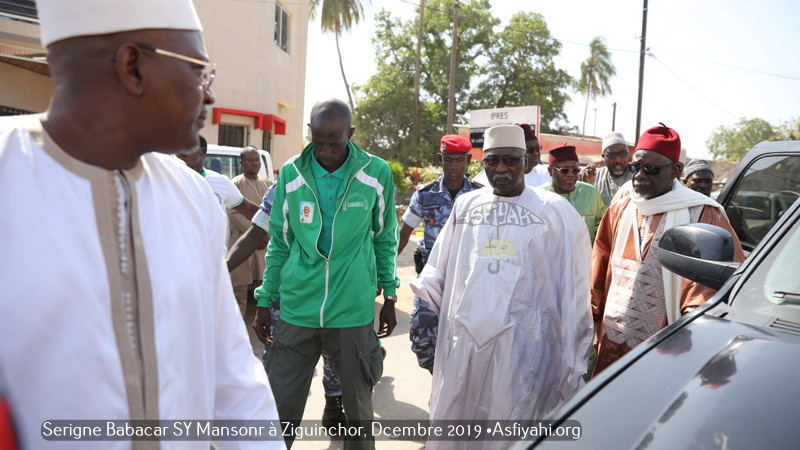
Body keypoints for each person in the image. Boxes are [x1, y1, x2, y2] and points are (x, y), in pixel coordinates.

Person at [0, 0, 281, 448]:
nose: (208, 95)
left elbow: (233, 378)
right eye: (199, 72)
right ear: (132, 66)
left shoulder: (192, 198)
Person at [411, 125, 592, 441]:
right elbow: (440, 271)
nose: (501, 169)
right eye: (492, 161)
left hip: (523, 348)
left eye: (510, 160)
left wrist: (571, 351)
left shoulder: (556, 213)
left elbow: (572, 287)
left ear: (526, 160)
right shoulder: (467, 207)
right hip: (465, 342)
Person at [254, 98, 400, 449]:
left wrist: (390, 296)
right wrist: (264, 299)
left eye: (334, 143)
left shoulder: (375, 173)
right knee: (278, 406)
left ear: (350, 134)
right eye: (317, 142)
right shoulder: (292, 172)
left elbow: (385, 237)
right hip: (298, 309)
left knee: (358, 411)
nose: (325, 152)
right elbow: (280, 243)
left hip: (351, 310)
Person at [591, 124, 745, 375]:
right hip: (612, 338)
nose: (639, 175)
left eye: (650, 169)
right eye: (635, 167)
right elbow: (599, 261)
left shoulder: (702, 213)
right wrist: (593, 319)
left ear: (675, 170)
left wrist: (693, 332)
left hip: (665, 343)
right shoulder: (622, 206)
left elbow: (709, 286)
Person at [226, 183, 347, 430]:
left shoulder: (356, 182)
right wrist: (218, 271)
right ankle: (275, 429)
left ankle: (333, 406)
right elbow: (254, 235)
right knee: (281, 366)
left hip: (338, 292)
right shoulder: (286, 186)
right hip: (290, 295)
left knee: (338, 360)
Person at [397, 134, 482, 373]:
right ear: (440, 159)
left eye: (459, 161)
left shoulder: (479, 196)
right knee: (421, 340)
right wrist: (385, 271)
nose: (453, 167)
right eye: (448, 160)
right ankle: (438, 376)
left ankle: (449, 391)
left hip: (467, 279)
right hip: (432, 278)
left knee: (466, 339)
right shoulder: (425, 195)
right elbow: (404, 234)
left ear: (468, 160)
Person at [227, 146, 273, 316]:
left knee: (265, 285)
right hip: (243, 240)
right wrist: (256, 234)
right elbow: (233, 214)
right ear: (241, 163)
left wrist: (265, 237)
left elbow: (274, 213)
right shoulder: (235, 184)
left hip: (264, 243)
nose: (254, 164)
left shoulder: (268, 184)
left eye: (257, 160)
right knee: (239, 289)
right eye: (250, 161)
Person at [176, 135, 260, 220]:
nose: (181, 150)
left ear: (203, 151)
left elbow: (250, 211)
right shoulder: (170, 180)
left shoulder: (221, 182)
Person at [540, 144, 606, 241]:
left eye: (575, 170)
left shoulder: (591, 193)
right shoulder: (540, 197)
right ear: (550, 171)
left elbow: (602, 230)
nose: (571, 175)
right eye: (564, 170)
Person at [473, 123, 550, 187]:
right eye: (530, 150)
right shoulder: (485, 179)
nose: (536, 153)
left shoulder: (548, 173)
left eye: (538, 148)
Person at [581, 131, 632, 207]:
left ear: (628, 154)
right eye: (612, 155)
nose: (618, 159)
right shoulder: (593, 176)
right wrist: (585, 183)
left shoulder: (637, 174)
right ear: (603, 157)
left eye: (622, 154)